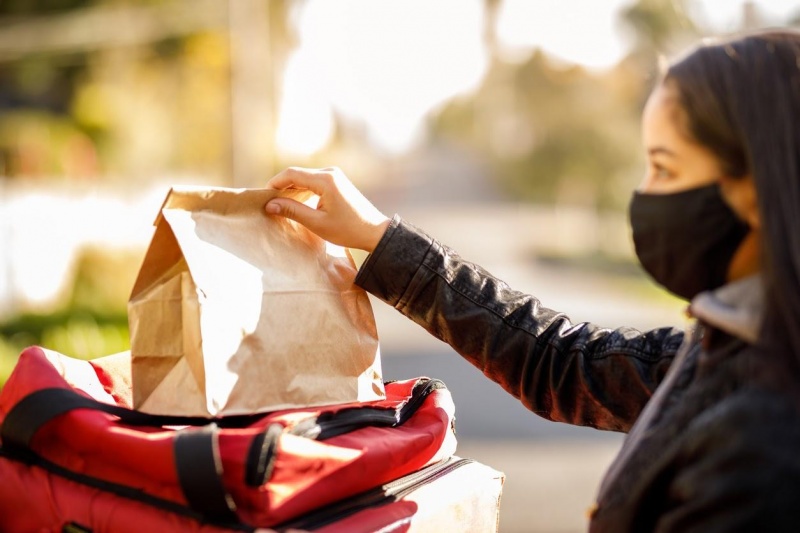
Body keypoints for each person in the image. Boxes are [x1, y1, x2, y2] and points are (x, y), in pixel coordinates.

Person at [264, 29, 800, 532]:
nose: (643, 195)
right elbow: (565, 362)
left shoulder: (764, 447)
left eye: (664, 169)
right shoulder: (728, 346)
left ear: (759, 187)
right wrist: (382, 239)